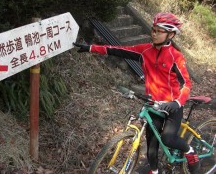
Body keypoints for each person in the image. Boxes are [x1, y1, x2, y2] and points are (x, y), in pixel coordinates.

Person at [73, 12, 200, 174]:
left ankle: (190, 151)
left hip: (172, 106)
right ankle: (155, 172)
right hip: (154, 104)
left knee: (168, 139)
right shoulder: (144, 50)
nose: (153, 33)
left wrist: (176, 102)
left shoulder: (176, 57)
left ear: (171, 34)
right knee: (151, 149)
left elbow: (187, 84)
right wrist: (91, 48)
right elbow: (117, 50)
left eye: (159, 31)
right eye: (153, 29)